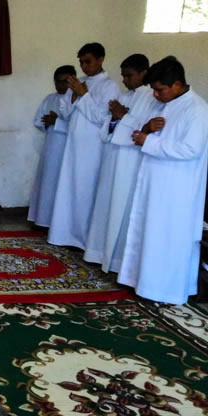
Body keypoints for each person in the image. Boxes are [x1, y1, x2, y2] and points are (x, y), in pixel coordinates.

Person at [119, 56, 208, 305]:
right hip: (155, 181)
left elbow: (190, 149)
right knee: (150, 234)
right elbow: (144, 134)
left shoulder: (197, 110)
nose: (155, 95)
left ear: (177, 84)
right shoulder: (165, 104)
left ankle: (164, 290)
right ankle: (144, 283)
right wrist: (146, 131)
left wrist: (149, 141)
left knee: (167, 237)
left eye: (160, 90)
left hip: (177, 188)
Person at [83, 54, 157, 272]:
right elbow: (107, 127)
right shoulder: (125, 96)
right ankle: (99, 253)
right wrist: (115, 118)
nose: (124, 80)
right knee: (106, 205)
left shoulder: (151, 98)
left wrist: (123, 116)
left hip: (130, 161)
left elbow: (144, 129)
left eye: (129, 76)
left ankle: (116, 261)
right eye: (123, 76)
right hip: (113, 157)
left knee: (120, 209)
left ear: (143, 73)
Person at [48, 42, 120, 249]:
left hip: (93, 149)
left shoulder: (110, 86)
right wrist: (73, 95)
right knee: (69, 190)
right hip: (73, 146)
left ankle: (84, 240)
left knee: (85, 192)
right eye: (81, 62)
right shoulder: (80, 82)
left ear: (100, 59)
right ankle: (65, 235)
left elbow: (101, 118)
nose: (84, 66)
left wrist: (83, 95)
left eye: (87, 61)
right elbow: (66, 114)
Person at [27, 65, 75, 227]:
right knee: (47, 183)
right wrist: (46, 122)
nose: (61, 85)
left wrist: (57, 122)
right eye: (57, 82)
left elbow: (78, 127)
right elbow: (37, 120)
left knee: (63, 185)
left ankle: (60, 224)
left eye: (65, 82)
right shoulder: (49, 99)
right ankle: (43, 220)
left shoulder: (77, 99)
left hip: (67, 148)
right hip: (51, 145)